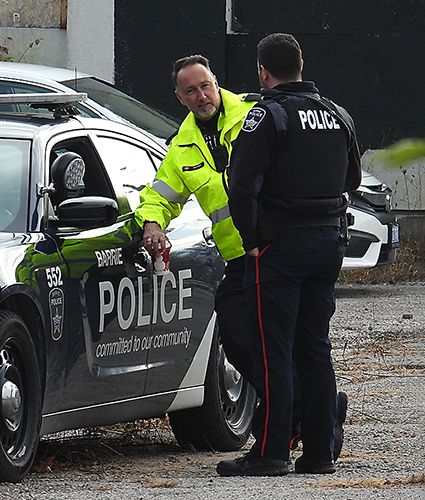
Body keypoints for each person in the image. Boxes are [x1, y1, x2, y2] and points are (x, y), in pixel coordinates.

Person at [218, 33, 361, 476]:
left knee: (273, 350)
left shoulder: (266, 115)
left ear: (263, 71)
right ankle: (320, 454)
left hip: (280, 247)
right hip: (328, 244)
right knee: (315, 348)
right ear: (302, 63)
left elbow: (241, 186)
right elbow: (352, 179)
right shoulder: (337, 114)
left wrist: (253, 240)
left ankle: (270, 452)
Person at [135, 55, 258, 383]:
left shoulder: (255, 116)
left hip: (278, 249)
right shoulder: (181, 147)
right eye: (191, 91)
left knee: (286, 339)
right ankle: (303, 407)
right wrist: (151, 223)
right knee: (235, 336)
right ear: (179, 97)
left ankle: (303, 413)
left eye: (205, 86)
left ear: (216, 83)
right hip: (239, 259)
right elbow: (159, 196)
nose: (201, 96)